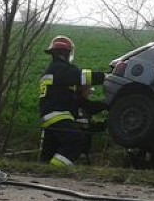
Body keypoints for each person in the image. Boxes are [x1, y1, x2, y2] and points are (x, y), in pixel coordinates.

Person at [39, 35, 106, 166]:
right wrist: (106, 77)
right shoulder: (60, 68)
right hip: (58, 115)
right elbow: (80, 76)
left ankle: (43, 173)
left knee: (49, 152)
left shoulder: (53, 70)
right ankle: (56, 170)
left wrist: (105, 104)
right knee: (76, 141)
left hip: (49, 116)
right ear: (66, 53)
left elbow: (81, 102)